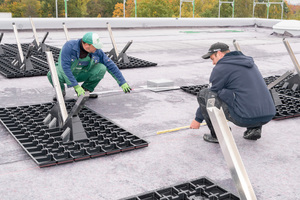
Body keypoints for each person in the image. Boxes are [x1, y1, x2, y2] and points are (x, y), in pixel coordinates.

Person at [190, 42, 276, 143]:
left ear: (219, 53)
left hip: (243, 118)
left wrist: (198, 119)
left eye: (213, 58)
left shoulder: (221, 68)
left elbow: (211, 93)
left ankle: (218, 134)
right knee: (250, 90)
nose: (213, 62)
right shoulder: (250, 64)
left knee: (204, 93)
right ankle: (254, 129)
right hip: (268, 115)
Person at [47, 32, 131, 100]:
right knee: (52, 74)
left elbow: (110, 65)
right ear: (87, 45)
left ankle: (84, 91)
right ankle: (60, 91)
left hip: (81, 73)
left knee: (101, 68)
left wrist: (122, 82)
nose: (96, 49)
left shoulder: (96, 51)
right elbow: (64, 68)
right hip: (66, 74)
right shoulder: (69, 46)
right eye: (95, 46)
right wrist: (76, 86)